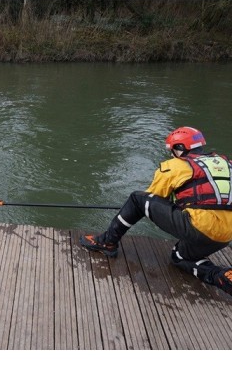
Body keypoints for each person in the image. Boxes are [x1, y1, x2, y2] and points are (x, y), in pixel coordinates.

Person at [80, 126, 232, 296]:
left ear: (180, 148)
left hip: (198, 226)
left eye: (173, 149)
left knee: (138, 199)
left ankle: (107, 242)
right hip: (226, 235)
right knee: (180, 258)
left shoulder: (175, 165)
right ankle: (221, 276)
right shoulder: (227, 163)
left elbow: (153, 197)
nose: (172, 154)